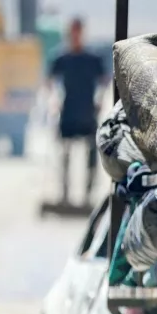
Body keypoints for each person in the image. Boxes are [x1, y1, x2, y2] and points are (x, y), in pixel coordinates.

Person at [47, 17, 107, 206]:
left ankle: (88, 196)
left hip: (87, 112)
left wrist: (100, 99)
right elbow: (51, 82)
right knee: (64, 154)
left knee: (91, 154)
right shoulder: (61, 59)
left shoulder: (92, 59)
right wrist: (54, 100)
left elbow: (104, 81)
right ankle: (64, 194)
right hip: (68, 111)